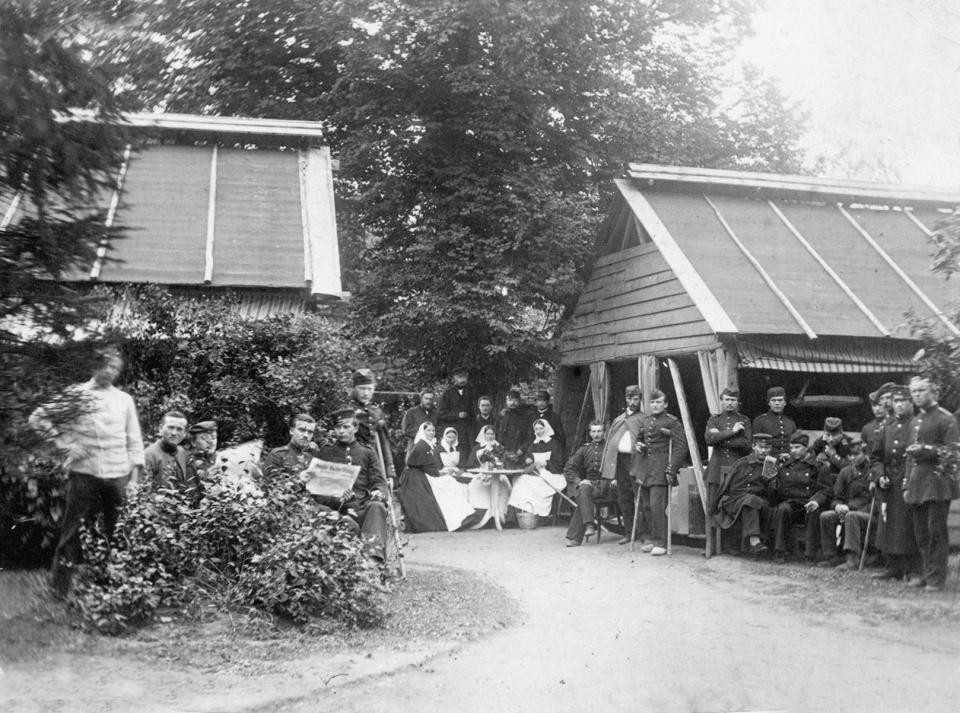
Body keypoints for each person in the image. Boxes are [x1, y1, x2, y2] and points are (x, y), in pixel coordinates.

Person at [29, 346, 145, 598]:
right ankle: (58, 590)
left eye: (116, 368)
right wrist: (65, 445)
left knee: (119, 530)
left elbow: (134, 440)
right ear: (94, 366)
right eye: (107, 366)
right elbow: (38, 418)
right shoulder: (75, 395)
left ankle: (116, 587)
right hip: (84, 475)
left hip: (118, 475)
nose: (112, 372)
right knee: (73, 530)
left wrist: (134, 478)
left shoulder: (124, 400)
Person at [903, 376, 960, 592]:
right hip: (918, 483)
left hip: (938, 483)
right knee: (921, 533)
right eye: (914, 391)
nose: (917, 394)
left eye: (921, 390)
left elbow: (954, 453)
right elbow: (909, 456)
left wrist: (926, 451)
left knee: (935, 531)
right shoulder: (915, 421)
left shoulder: (946, 419)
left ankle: (936, 578)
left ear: (933, 392)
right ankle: (926, 574)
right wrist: (906, 484)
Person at [314, 406, 391, 562]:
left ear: (355, 428)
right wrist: (337, 499)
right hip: (336, 510)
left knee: (376, 507)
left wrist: (379, 493)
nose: (341, 431)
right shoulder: (325, 453)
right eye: (337, 427)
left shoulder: (367, 452)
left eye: (346, 427)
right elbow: (317, 492)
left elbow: (379, 482)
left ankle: (372, 562)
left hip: (362, 509)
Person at [870, 385, 920, 581]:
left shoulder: (917, 425)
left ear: (911, 403)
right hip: (890, 484)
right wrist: (880, 474)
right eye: (896, 401)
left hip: (910, 481)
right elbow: (875, 457)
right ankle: (894, 567)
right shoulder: (886, 427)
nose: (899, 405)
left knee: (909, 526)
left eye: (903, 401)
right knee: (889, 525)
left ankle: (914, 569)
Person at [634, 390, 687, 556]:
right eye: (652, 402)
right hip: (646, 468)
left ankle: (661, 542)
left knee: (657, 506)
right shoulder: (646, 420)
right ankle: (651, 537)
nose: (655, 405)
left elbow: (680, 447)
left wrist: (671, 468)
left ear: (665, 404)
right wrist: (638, 445)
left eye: (658, 402)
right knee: (646, 506)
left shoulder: (672, 422)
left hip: (661, 469)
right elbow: (640, 438)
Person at [398, 422, 474, 532]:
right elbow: (420, 465)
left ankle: (459, 516)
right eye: (428, 430)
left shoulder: (427, 444)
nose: (431, 433)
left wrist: (441, 472)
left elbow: (428, 466)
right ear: (423, 432)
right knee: (448, 483)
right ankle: (454, 518)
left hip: (423, 474)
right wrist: (441, 473)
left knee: (450, 482)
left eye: (433, 430)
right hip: (416, 478)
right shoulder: (422, 445)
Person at [768, 433, 829, 563]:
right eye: (792, 447)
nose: (793, 450)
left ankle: (809, 555)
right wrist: (773, 481)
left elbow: (825, 490)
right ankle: (780, 552)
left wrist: (816, 501)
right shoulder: (785, 465)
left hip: (808, 502)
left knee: (813, 511)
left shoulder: (818, 467)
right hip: (791, 504)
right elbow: (776, 489)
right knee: (782, 509)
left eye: (797, 447)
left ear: (807, 448)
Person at [819, 439, 879, 569]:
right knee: (826, 516)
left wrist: (850, 509)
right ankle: (832, 557)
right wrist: (837, 506)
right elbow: (837, 497)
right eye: (850, 455)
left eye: (857, 454)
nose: (853, 458)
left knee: (851, 516)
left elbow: (877, 503)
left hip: (868, 515)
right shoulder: (845, 472)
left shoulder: (873, 472)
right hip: (846, 511)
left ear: (866, 454)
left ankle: (852, 559)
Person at [713, 433, 775, 555]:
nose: (763, 451)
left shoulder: (770, 464)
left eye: (767, 447)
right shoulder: (742, 463)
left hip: (759, 503)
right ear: (753, 446)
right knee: (750, 500)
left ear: (770, 448)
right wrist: (714, 505)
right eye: (760, 447)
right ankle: (754, 541)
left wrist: (774, 479)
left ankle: (754, 542)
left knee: (752, 500)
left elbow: (771, 492)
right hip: (735, 502)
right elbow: (725, 485)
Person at [601, 385, 644, 545]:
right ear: (625, 399)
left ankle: (644, 533)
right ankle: (628, 532)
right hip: (619, 462)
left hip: (637, 462)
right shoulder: (618, 419)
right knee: (624, 497)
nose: (632, 402)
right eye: (629, 398)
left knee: (640, 497)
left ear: (640, 400)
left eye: (636, 399)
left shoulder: (643, 419)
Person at [704, 387, 751, 515]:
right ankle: (713, 535)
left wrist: (720, 438)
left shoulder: (744, 420)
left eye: (733, 400)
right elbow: (709, 439)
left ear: (737, 402)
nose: (730, 403)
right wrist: (733, 432)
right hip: (716, 469)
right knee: (712, 507)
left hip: (735, 470)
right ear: (721, 401)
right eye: (727, 400)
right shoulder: (714, 419)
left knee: (734, 507)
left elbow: (746, 444)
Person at [562, 421, 609, 546]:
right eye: (593, 431)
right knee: (583, 489)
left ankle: (575, 537)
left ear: (604, 432)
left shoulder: (610, 448)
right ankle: (589, 525)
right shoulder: (585, 449)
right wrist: (579, 481)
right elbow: (569, 468)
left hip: (607, 484)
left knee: (583, 497)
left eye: (599, 431)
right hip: (590, 485)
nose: (596, 434)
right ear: (589, 433)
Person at [508, 419, 566, 518]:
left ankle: (537, 515)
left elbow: (560, 464)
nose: (539, 431)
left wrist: (546, 463)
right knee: (519, 481)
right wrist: (527, 460)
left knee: (535, 485)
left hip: (551, 474)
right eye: (536, 429)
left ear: (546, 428)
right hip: (536, 473)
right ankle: (518, 516)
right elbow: (527, 459)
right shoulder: (533, 444)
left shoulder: (554, 444)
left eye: (541, 428)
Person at [143, 411, 202, 504]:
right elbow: (142, 492)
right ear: (160, 428)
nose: (174, 433)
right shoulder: (148, 455)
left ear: (184, 433)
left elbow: (190, 486)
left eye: (179, 429)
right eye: (170, 428)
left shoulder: (182, 452)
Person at [349, 368, 396, 480]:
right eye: (362, 388)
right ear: (354, 389)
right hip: (354, 462)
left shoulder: (377, 412)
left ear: (374, 389)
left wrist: (390, 472)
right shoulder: (348, 411)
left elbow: (384, 444)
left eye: (369, 389)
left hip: (375, 463)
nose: (366, 393)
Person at [464, 425, 511, 521]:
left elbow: (505, 462)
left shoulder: (499, 448)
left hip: (498, 474)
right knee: (476, 486)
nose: (490, 436)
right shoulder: (477, 448)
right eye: (488, 434)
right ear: (484, 435)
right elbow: (470, 464)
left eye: (492, 434)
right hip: (482, 473)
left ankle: (499, 513)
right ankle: (482, 516)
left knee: (503, 484)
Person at [261, 413, 319, 479]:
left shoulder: (311, 458)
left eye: (310, 432)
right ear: (291, 431)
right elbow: (270, 485)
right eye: (302, 430)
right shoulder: (278, 455)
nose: (306, 435)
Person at [437, 366, 476, 455]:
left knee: (468, 454)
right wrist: (457, 415)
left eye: (464, 377)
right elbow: (441, 413)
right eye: (460, 377)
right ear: (454, 378)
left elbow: (474, 412)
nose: (463, 380)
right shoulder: (447, 394)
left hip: (468, 432)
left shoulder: (470, 392)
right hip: (453, 431)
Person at [752, 387, 797, 458]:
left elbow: (795, 445)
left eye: (780, 400)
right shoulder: (760, 421)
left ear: (785, 403)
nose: (777, 403)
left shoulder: (790, 422)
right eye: (773, 400)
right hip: (768, 461)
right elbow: (755, 446)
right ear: (769, 403)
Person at [497, 388, 535, 467]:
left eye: (515, 400)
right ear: (506, 401)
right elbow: (498, 434)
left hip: (520, 452)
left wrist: (521, 450)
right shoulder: (502, 416)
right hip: (504, 453)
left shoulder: (526, 416)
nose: (512, 403)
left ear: (519, 401)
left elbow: (530, 436)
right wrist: (502, 450)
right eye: (510, 400)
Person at [400, 389, 438, 456]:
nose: (428, 401)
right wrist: (422, 434)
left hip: (432, 448)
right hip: (415, 447)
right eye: (426, 398)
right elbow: (405, 430)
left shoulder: (436, 413)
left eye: (431, 399)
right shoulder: (411, 412)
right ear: (421, 399)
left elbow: (440, 429)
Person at [533, 390, 566, 455]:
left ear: (548, 402)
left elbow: (559, 436)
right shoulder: (532, 417)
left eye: (544, 401)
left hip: (550, 449)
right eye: (539, 401)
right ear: (536, 402)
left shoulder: (554, 417)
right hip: (535, 448)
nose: (541, 403)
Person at [186, 420, 218, 484]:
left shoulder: (213, 457)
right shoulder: (189, 464)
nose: (211, 441)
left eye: (213, 437)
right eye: (204, 438)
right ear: (193, 442)